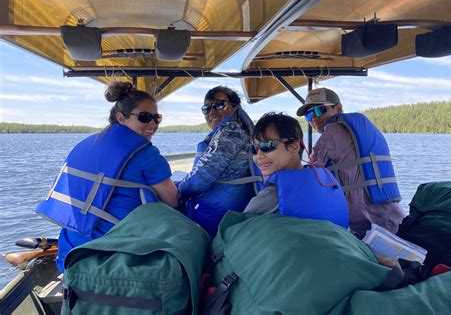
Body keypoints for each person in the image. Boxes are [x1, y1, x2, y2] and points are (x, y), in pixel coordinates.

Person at [36, 82, 178, 272]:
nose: (152, 124)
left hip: (70, 254)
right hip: (115, 255)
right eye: (144, 117)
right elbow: (172, 200)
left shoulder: (87, 144)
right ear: (121, 118)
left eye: (156, 118)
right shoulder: (146, 154)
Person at [296, 87, 405, 236]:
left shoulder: (331, 133)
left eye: (319, 110)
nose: (314, 118)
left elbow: (310, 175)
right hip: (392, 215)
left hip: (365, 221)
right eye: (309, 116)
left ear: (338, 108)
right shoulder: (364, 127)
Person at [178, 86, 259, 237]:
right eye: (206, 108)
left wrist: (177, 193)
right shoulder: (239, 131)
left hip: (216, 217)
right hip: (226, 210)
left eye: (219, 105)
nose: (212, 112)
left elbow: (201, 178)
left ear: (235, 107)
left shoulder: (231, 133)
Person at [244, 112, 349, 228]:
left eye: (266, 146)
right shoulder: (326, 177)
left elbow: (241, 227)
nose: (258, 156)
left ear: (294, 147)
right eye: (253, 148)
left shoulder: (275, 192)